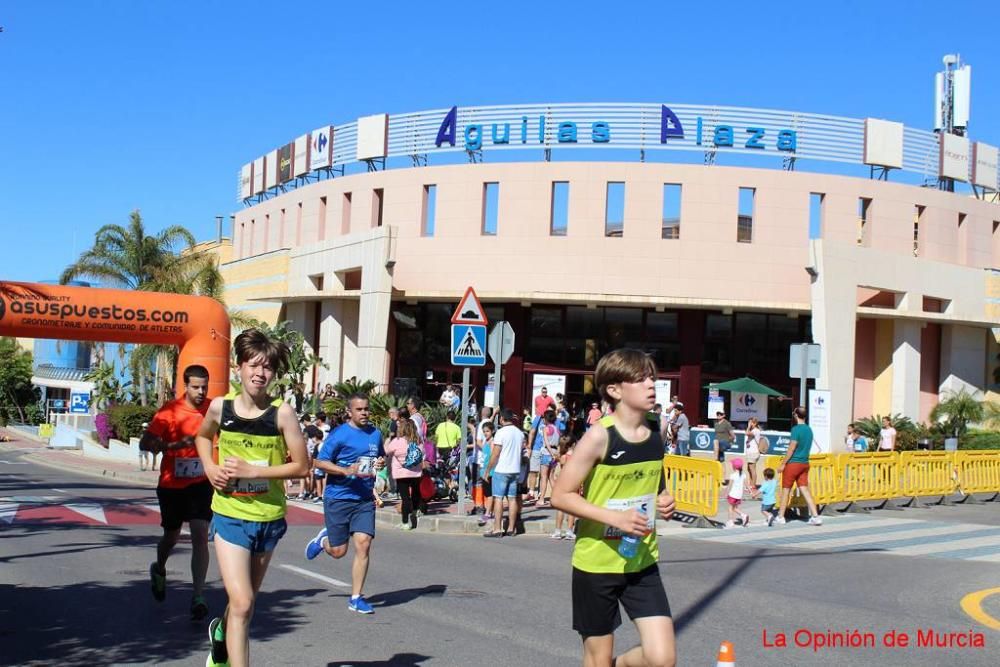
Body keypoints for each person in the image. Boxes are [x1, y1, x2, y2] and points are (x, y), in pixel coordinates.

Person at [551, 349, 677, 667]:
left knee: (662, 659)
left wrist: (664, 499)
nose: (651, 384)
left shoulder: (655, 430)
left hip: (641, 560)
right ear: (615, 390)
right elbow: (561, 495)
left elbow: (655, 482)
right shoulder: (599, 437)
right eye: (640, 378)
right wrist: (615, 518)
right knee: (597, 659)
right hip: (597, 563)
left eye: (652, 377)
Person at [195, 329, 310, 667]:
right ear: (239, 367)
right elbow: (202, 437)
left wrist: (255, 471)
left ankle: (221, 636)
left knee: (243, 603)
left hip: (268, 518)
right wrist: (209, 467)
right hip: (230, 514)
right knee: (243, 603)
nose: (260, 374)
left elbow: (303, 466)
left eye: (268, 368)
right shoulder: (221, 407)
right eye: (253, 366)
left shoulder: (282, 413)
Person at [139, 364, 212, 620]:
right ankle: (159, 568)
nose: (201, 392)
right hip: (172, 485)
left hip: (201, 483)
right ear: (185, 386)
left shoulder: (213, 409)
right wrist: (172, 445)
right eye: (196, 387)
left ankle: (198, 596)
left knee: (200, 534)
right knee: (170, 537)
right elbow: (145, 442)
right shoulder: (169, 411)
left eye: (205, 387)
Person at [304, 393, 386, 615]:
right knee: (339, 551)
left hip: (363, 498)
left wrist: (380, 462)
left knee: (364, 543)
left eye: (367, 409)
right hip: (339, 496)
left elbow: (380, 457)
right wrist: (345, 470)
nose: (365, 413)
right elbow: (318, 461)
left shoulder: (375, 434)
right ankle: (324, 542)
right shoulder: (340, 434)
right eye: (359, 410)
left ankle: (356, 598)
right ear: (350, 412)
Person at [775, 406, 822, 526]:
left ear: (796, 415)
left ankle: (780, 516)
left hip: (793, 463)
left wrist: (783, 463)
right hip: (805, 463)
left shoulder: (796, 429)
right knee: (805, 490)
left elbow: (791, 448)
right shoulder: (809, 429)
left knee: (786, 490)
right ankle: (815, 516)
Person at [482, 408, 525, 538]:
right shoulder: (520, 433)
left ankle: (497, 529)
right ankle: (512, 528)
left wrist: (488, 470)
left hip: (502, 470)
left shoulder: (500, 433)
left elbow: (495, 454)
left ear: (501, 419)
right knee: (512, 499)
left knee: (498, 498)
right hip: (515, 470)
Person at [384, 417, 424, 530]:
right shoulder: (418, 441)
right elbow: (422, 453)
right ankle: (415, 511)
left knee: (405, 498)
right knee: (416, 493)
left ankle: (405, 522)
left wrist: (387, 440)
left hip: (401, 474)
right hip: (415, 472)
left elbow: (386, 451)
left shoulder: (397, 441)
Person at [551, 436, 577, 540]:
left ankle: (558, 530)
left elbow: (558, 469)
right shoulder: (576, 457)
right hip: (573, 483)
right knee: (572, 509)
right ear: (573, 445)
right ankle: (569, 531)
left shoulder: (563, 457)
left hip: (563, 483)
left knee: (560, 508)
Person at [537, 410, 561, 505]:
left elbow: (546, 443)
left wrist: (551, 453)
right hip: (555, 453)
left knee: (544, 477)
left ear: (546, 419)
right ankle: (556, 498)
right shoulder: (557, 429)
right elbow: (559, 444)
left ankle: (541, 499)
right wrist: (556, 454)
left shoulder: (545, 429)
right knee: (551, 477)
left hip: (547, 453)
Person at [478, 420, 497, 526]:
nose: (485, 433)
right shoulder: (486, 441)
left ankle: (487, 513)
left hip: (490, 472)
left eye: (488, 431)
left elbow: (493, 458)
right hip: (484, 471)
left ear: (492, 431)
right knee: (487, 494)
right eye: (484, 431)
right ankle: (490, 511)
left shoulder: (493, 443)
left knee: (490, 494)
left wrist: (488, 471)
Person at [724, 458, 752, 529]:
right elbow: (747, 485)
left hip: (732, 494)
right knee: (734, 508)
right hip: (739, 495)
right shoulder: (743, 475)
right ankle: (743, 515)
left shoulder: (732, 475)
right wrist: (750, 491)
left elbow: (729, 486)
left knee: (730, 508)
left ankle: (731, 522)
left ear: (734, 467)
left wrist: (726, 493)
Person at [744, 417, 762, 487]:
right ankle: (751, 484)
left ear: (754, 423)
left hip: (753, 452)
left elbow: (747, 433)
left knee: (752, 469)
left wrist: (748, 427)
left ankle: (753, 485)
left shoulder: (756, 430)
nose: (749, 424)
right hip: (751, 452)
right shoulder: (754, 430)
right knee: (749, 469)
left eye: (750, 422)